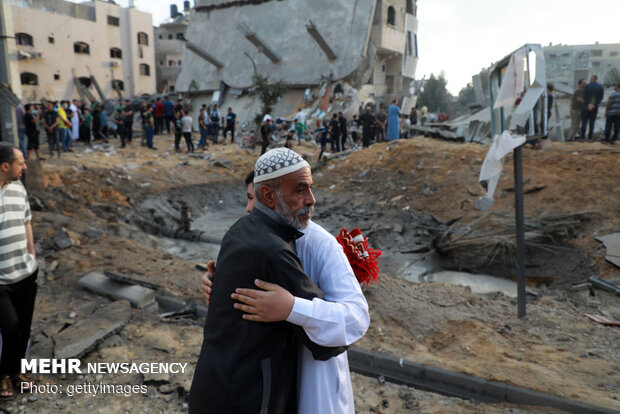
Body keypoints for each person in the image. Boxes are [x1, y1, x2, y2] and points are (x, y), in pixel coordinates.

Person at [189, 148, 348, 413]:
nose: (312, 200)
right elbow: (329, 341)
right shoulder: (275, 252)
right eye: (300, 190)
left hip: (211, 386)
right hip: (249, 398)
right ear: (269, 196)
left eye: (310, 188)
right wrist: (292, 308)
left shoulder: (238, 230)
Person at [0, 143, 38, 400]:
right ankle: (2, 374)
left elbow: (26, 220)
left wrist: (32, 253)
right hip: (1, 280)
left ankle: (16, 372)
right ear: (5, 166)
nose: (25, 167)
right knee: (10, 326)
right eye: (20, 163)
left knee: (23, 327)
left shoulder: (19, 188)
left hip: (26, 272)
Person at [580, 75, 605, 141]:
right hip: (594, 107)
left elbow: (584, 96)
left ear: (592, 79)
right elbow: (601, 98)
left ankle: (582, 137)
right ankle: (590, 137)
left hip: (586, 107)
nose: (589, 80)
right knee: (592, 122)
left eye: (590, 78)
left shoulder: (587, 86)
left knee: (584, 122)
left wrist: (588, 104)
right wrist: (594, 104)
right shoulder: (600, 87)